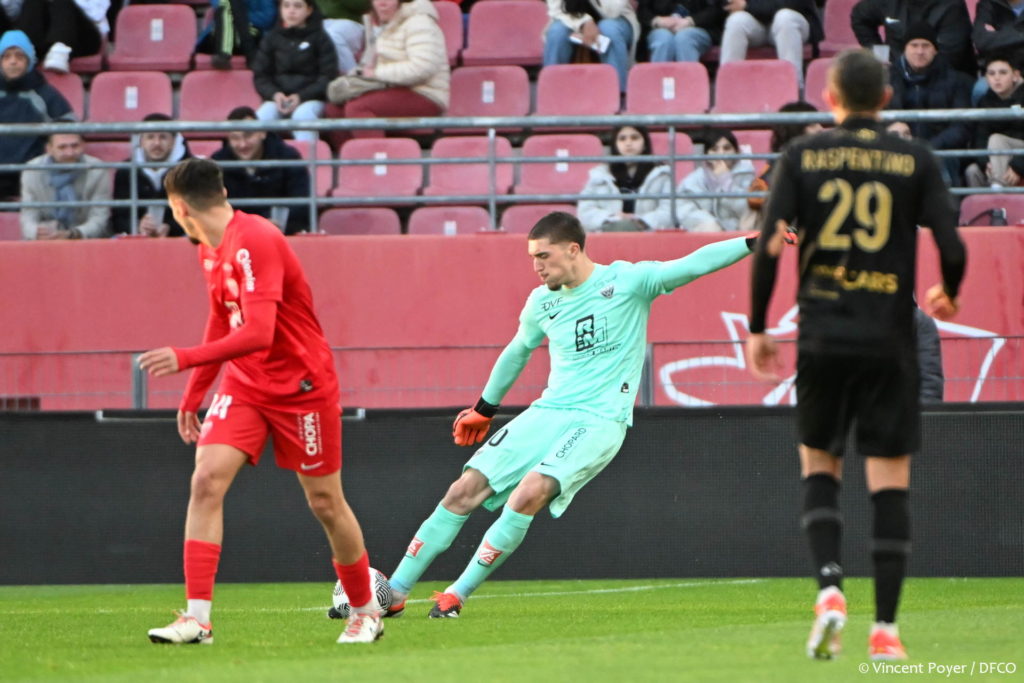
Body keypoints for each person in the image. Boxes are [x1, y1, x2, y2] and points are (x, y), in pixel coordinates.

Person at [385, 211, 760, 619]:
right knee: (463, 489)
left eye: (543, 256)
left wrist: (753, 242)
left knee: (528, 493)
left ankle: (456, 594)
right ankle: (394, 592)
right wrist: (484, 408)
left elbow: (692, 264)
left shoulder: (629, 281)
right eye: (532, 258)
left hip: (600, 420)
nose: (537, 266)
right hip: (549, 411)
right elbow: (518, 351)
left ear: (573, 249)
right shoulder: (541, 302)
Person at [745, 48, 967, 662]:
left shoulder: (802, 155)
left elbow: (769, 245)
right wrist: (950, 289)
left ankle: (829, 590)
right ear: (887, 100)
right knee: (889, 484)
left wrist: (759, 326)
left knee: (820, 467)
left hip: (823, 336)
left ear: (832, 98)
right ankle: (886, 632)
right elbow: (951, 242)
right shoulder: (913, 158)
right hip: (889, 340)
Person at [139, 157, 383, 645]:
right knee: (206, 480)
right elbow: (220, 319)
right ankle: (197, 620)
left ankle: (365, 612)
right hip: (246, 385)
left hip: (302, 388)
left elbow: (258, 332)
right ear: (223, 192)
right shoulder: (209, 248)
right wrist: (194, 393)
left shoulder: (256, 239)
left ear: (178, 208)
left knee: (325, 502)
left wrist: (184, 358)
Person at [325, 0, 449, 143]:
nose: (382, 3)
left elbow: (423, 68)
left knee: (358, 107)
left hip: (424, 92)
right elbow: (368, 65)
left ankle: (378, 156)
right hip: (388, 87)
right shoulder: (378, 24)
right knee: (334, 107)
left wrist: (377, 74)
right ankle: (351, 156)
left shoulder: (419, 22)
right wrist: (356, 76)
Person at [887, 21, 973, 184]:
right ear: (905, 49)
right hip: (898, 150)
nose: (920, 51)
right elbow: (874, 117)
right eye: (914, 45)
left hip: (940, 153)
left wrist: (929, 147)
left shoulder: (955, 81)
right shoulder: (887, 80)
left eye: (926, 46)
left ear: (935, 50)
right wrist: (892, 128)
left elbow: (962, 127)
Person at [211, 106, 312, 235]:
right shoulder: (217, 163)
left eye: (248, 135)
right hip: (236, 236)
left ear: (262, 133)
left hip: (282, 235)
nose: (242, 144)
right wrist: (253, 226)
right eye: (235, 138)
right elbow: (212, 209)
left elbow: (302, 202)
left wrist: (277, 224)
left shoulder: (288, 157)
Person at [0, 29, 74, 199]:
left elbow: (68, 126)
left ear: (29, 61)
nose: (13, 61)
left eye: (19, 56)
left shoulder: (44, 93)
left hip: (34, 175)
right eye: (6, 56)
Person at [252, 0, 338, 146]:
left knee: (303, 116)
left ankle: (308, 159)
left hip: (311, 99)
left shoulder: (321, 39)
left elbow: (328, 77)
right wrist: (274, 94)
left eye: (297, 6)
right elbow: (261, 76)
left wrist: (301, 96)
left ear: (309, 10)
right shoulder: (271, 38)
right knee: (261, 118)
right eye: (286, 6)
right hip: (277, 99)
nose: (291, 11)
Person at [577, 124, 675, 232]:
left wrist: (639, 221)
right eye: (622, 139)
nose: (628, 143)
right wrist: (613, 218)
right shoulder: (600, 174)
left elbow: (669, 211)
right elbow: (585, 211)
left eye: (634, 138)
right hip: (608, 233)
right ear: (615, 144)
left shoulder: (661, 174)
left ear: (645, 144)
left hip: (649, 235)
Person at [112, 113, 192, 237]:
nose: (156, 143)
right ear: (141, 141)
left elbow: (198, 214)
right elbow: (118, 217)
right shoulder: (125, 171)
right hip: (136, 237)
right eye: (150, 137)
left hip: (180, 237)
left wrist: (171, 227)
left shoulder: (191, 171)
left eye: (163, 137)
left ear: (174, 141)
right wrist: (137, 226)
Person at [20, 132, 110, 240]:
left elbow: (99, 218)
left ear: (83, 145)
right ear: (49, 149)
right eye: (62, 147)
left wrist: (72, 234)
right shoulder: (32, 170)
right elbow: (28, 216)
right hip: (45, 238)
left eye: (75, 146)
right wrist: (36, 232)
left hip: (86, 239)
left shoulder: (98, 169)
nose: (70, 153)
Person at [852, 0, 975, 76]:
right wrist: (881, 56)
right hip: (897, 76)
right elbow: (860, 17)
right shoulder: (887, 2)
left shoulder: (952, 6)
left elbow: (950, 57)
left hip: (944, 79)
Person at [719, 0, 823, 88]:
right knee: (736, 20)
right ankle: (727, 88)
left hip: (793, 23)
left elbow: (791, 3)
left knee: (785, 17)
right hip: (757, 25)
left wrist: (747, 6)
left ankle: (794, 88)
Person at [543, 0, 640, 94]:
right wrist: (584, 22)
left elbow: (612, 12)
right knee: (557, 32)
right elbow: (556, 11)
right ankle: (552, 91)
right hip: (571, 17)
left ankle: (617, 93)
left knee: (609, 29)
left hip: (617, 19)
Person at [747, 100, 823, 219]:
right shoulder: (781, 163)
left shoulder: (820, 159)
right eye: (813, 125)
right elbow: (759, 199)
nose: (820, 129)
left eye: (819, 123)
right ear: (796, 130)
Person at [675, 128, 756, 232]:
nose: (721, 153)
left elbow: (746, 211)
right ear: (707, 154)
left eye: (727, 148)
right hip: (708, 231)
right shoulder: (696, 179)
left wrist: (726, 181)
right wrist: (710, 222)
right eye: (714, 149)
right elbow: (684, 208)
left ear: (736, 151)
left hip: (736, 230)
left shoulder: (746, 174)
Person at [0, 0, 108, 73]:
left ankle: (60, 49)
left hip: (81, 35)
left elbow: (97, 14)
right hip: (43, 37)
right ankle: (27, 51)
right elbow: (12, 13)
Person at [965, 55, 1024, 187]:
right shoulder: (984, 101)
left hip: (1020, 153)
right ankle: (985, 201)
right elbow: (979, 137)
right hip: (998, 156)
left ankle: (997, 189)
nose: (997, 78)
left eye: (1003, 72)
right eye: (991, 73)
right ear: (986, 78)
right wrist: (985, 163)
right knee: (972, 171)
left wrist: (1018, 166)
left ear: (1015, 75)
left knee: (997, 139)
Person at [197, 0, 278, 69]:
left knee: (230, 6)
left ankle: (224, 54)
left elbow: (268, 18)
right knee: (226, 7)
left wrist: (240, 16)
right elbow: (219, 5)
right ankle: (248, 53)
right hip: (220, 35)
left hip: (250, 32)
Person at [636, 0, 724, 63]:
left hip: (698, 27)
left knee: (685, 38)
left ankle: (688, 82)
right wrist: (658, 20)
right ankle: (659, 81)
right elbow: (642, 10)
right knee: (663, 39)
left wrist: (690, 21)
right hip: (659, 28)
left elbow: (716, 9)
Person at [317, 0, 371, 74]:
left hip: (351, 24)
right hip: (321, 23)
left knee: (331, 35)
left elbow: (363, 5)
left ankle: (353, 75)